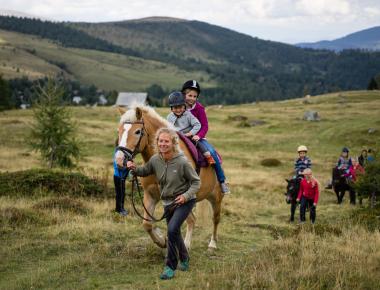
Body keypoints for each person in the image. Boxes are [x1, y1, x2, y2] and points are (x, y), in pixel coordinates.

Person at [126, 127, 200, 280]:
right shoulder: (155, 160)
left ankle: (170, 266)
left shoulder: (182, 162)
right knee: (175, 232)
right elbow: (144, 171)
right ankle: (185, 258)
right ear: (157, 142)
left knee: (172, 230)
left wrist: (186, 197)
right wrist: (134, 168)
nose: (163, 144)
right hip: (168, 202)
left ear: (173, 143)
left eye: (166, 141)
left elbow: (196, 183)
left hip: (184, 201)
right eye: (160, 141)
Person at [181, 80, 230, 194]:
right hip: (180, 136)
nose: (192, 98)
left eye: (195, 96)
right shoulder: (179, 106)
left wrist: (198, 135)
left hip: (196, 137)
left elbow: (205, 126)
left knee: (212, 153)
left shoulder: (199, 108)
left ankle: (222, 181)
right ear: (184, 94)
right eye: (190, 95)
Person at [166, 91, 215, 165]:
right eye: (175, 108)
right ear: (171, 108)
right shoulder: (169, 117)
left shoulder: (188, 115)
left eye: (180, 107)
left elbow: (197, 124)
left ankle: (208, 156)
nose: (178, 110)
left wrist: (191, 133)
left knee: (197, 143)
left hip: (188, 136)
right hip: (175, 137)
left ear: (184, 106)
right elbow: (168, 128)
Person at [113, 149, 129, 216]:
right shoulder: (119, 153)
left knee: (122, 193)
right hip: (119, 177)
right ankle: (119, 210)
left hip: (121, 177)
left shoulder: (120, 152)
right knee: (120, 194)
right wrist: (127, 167)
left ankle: (121, 209)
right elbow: (119, 166)